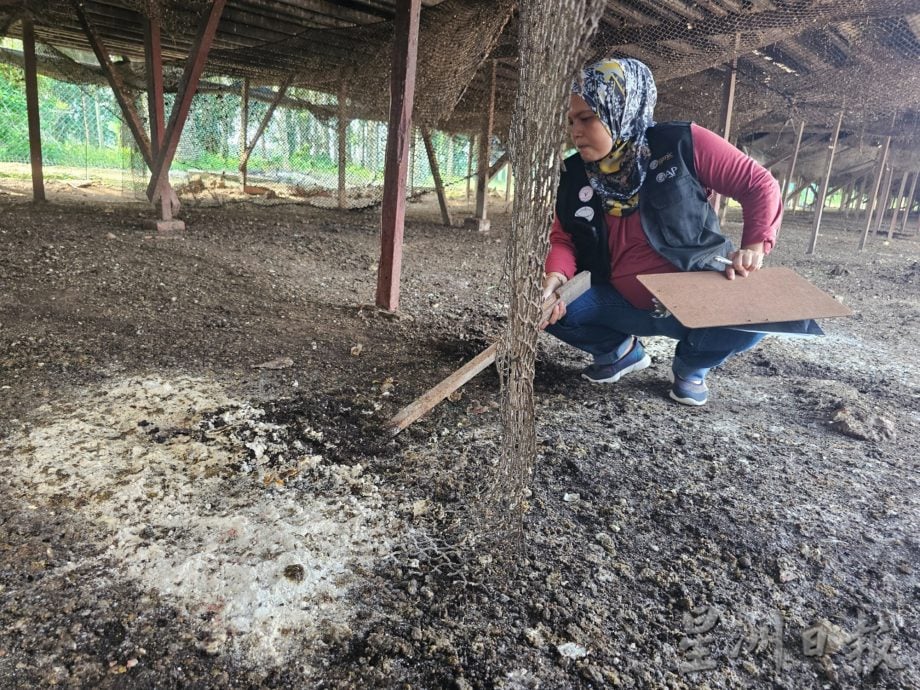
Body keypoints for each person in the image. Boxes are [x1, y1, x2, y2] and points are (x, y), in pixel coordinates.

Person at [541, 58, 782, 406]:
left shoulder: (681, 144)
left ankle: (691, 365)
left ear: (620, 109)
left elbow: (758, 184)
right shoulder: (574, 173)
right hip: (618, 300)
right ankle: (619, 351)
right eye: (571, 121)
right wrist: (555, 277)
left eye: (587, 118)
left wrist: (754, 247)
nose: (575, 131)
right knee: (546, 309)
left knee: (755, 313)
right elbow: (564, 237)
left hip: (694, 296)